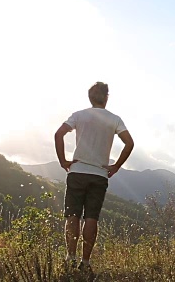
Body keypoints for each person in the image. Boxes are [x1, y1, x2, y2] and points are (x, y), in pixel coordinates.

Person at [54, 82, 134, 273]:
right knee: (91, 218)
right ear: (106, 97)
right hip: (99, 175)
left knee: (72, 216)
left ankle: (70, 257)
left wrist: (63, 161)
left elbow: (59, 134)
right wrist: (116, 166)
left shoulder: (79, 115)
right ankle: (86, 262)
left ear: (90, 98)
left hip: (77, 172)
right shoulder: (114, 119)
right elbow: (129, 143)